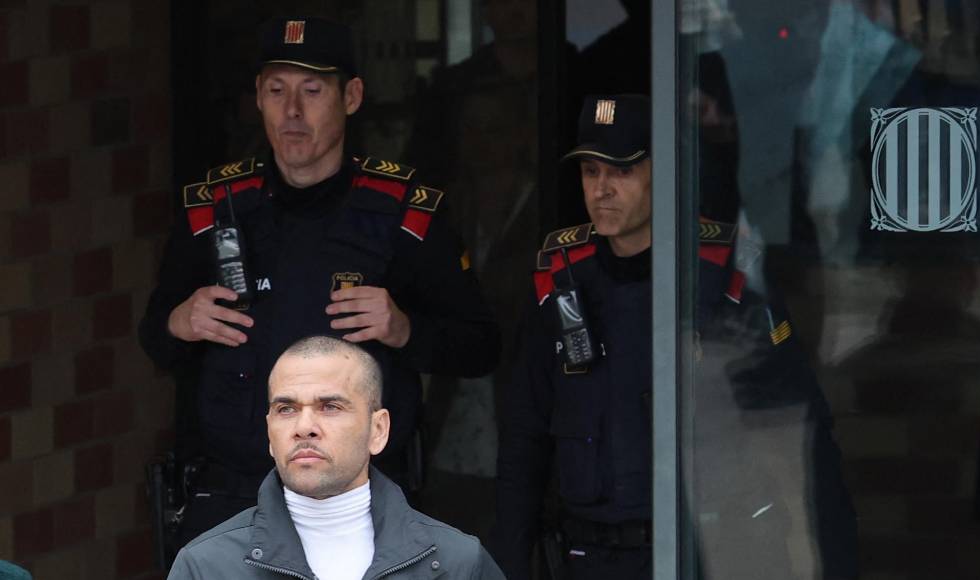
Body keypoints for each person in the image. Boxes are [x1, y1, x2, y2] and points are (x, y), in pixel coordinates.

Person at [138, 16, 500, 548]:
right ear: (257, 98)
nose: (292, 111)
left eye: (311, 91)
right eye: (276, 91)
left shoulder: (403, 213)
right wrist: (179, 322)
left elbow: (481, 347)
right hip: (232, 498)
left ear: (351, 96)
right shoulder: (215, 210)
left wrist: (404, 328)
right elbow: (155, 341)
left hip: (357, 502)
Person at [493, 94, 858, 579]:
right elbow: (525, 440)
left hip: (708, 552)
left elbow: (799, 427)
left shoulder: (724, 272)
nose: (601, 190)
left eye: (620, 172)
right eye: (590, 172)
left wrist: (832, 562)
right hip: (591, 558)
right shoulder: (559, 276)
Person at [168, 336, 505, 579]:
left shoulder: (456, 563)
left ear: (378, 430)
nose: (304, 427)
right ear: (269, 433)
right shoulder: (206, 566)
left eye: (330, 407)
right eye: (286, 409)